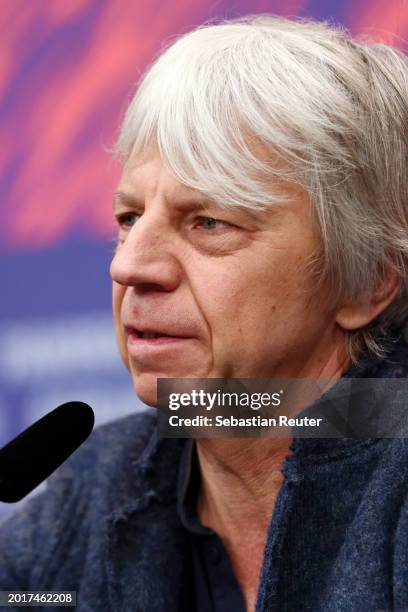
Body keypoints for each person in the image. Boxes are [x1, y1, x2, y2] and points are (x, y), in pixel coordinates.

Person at [1, 13, 408, 612]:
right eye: (129, 219)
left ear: (366, 281)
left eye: (209, 222)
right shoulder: (91, 490)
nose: (130, 266)